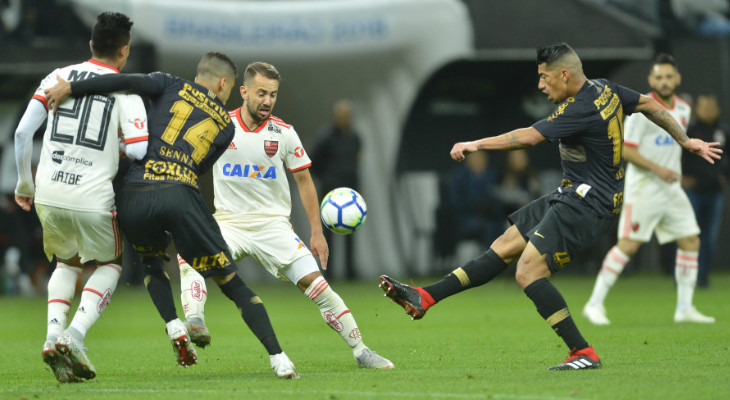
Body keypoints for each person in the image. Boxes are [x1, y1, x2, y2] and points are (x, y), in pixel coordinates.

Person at [378, 42, 722, 370]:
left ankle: (582, 350)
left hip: (588, 202)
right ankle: (426, 297)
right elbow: (648, 104)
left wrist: (475, 143)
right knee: (505, 245)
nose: (540, 85)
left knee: (528, 272)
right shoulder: (605, 89)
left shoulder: (580, 108)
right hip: (572, 193)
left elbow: (528, 137)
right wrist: (685, 139)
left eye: (544, 77)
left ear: (565, 76)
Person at [45, 53, 300, 379]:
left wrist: (72, 88)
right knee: (230, 282)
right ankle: (279, 358)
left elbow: (123, 82)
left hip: (134, 193)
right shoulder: (225, 125)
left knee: (152, 264)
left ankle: (170, 326)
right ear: (224, 84)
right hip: (179, 193)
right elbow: (199, 169)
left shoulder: (167, 83)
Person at [178, 62, 393, 370]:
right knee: (190, 256)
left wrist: (317, 233)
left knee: (318, 287)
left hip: (273, 226)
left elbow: (304, 181)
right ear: (244, 91)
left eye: (273, 95)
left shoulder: (284, 133)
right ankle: (195, 319)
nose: (267, 101)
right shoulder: (219, 125)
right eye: (261, 93)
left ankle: (361, 351)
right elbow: (189, 165)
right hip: (229, 223)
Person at [14, 12, 149, 383]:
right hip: (92, 195)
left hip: (49, 189)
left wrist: (25, 184)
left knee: (66, 263)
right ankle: (73, 336)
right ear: (124, 51)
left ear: (91, 45)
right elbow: (138, 149)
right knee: (110, 264)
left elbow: (23, 135)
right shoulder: (126, 87)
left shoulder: (56, 77)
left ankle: (51, 336)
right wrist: (119, 145)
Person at [583, 54, 715, 325]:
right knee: (628, 246)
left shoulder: (684, 109)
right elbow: (627, 152)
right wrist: (658, 169)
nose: (664, 82)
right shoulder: (642, 109)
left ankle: (684, 309)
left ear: (677, 79)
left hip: (671, 189)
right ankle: (594, 304)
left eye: (669, 77)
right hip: (644, 188)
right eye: (659, 77)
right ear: (651, 80)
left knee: (691, 241)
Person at [310, 99, 362, 279]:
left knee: (351, 232)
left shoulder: (355, 137)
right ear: (336, 117)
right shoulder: (326, 137)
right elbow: (313, 161)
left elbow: (356, 162)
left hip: (350, 192)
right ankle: (328, 272)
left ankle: (350, 272)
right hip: (331, 192)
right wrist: (326, 180)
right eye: (342, 116)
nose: (344, 119)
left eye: (347, 116)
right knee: (329, 233)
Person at [682, 94, 730, 288]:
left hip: (715, 192)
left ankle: (702, 278)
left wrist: (724, 177)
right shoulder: (689, 131)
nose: (707, 111)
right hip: (694, 191)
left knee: (708, 238)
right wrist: (682, 177)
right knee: (689, 235)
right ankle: (686, 277)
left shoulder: (723, 131)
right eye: (704, 107)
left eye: (711, 107)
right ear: (697, 109)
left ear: (717, 109)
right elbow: (677, 155)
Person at [448, 151, 502, 249]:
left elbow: (497, 195)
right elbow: (455, 202)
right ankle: (490, 259)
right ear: (468, 161)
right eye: (475, 159)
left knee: (502, 225)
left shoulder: (491, 175)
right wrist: (476, 204)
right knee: (488, 227)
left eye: (481, 159)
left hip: (490, 216)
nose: (479, 162)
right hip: (466, 218)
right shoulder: (459, 177)